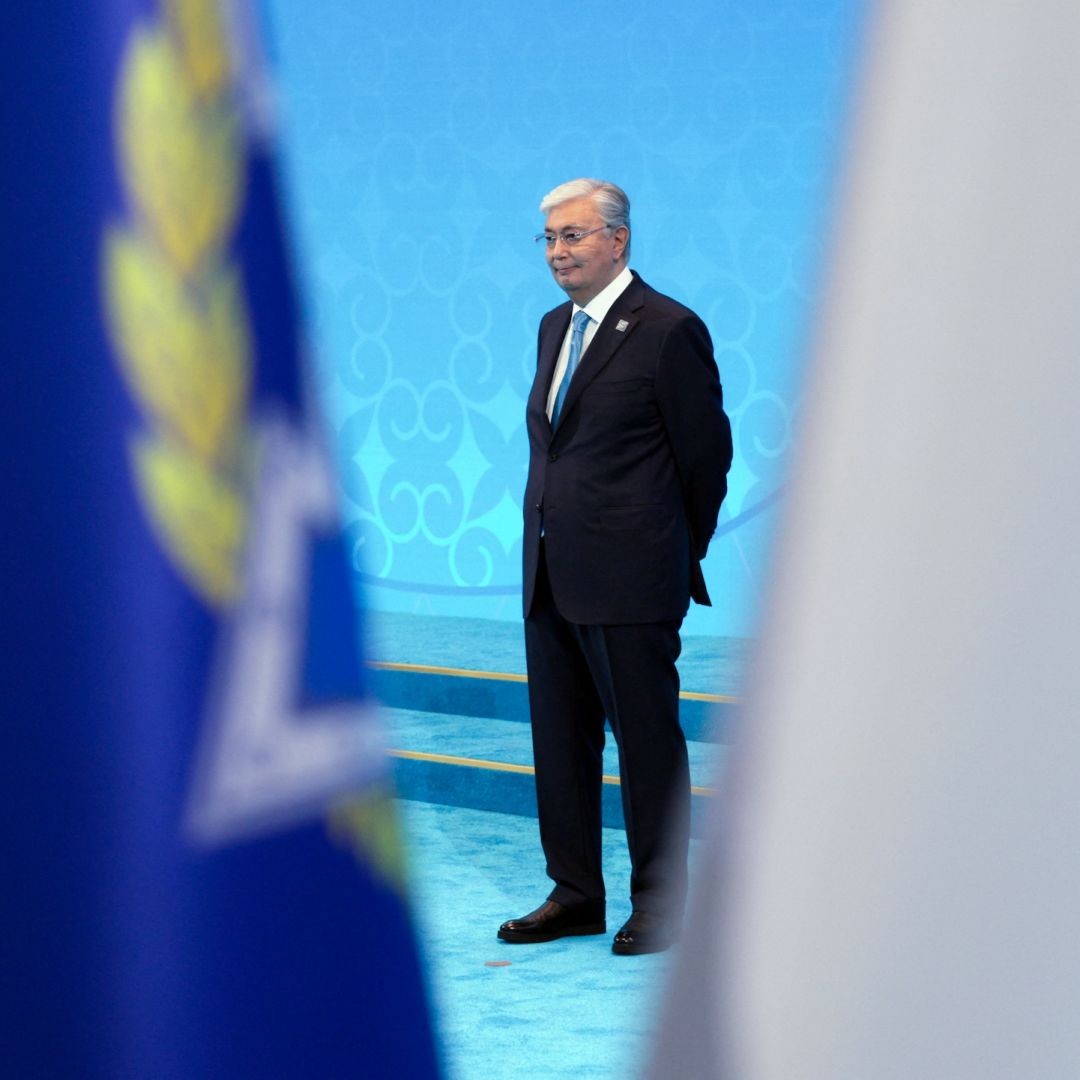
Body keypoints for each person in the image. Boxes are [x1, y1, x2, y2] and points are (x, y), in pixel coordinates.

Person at [498, 179, 733, 955]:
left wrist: (668, 548)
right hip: (549, 572)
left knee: (645, 745)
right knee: (560, 746)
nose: (558, 253)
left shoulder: (668, 331)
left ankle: (661, 902)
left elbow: (706, 459)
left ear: (618, 240)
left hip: (632, 578)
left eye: (572, 236)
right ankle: (574, 895)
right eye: (549, 240)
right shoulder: (549, 328)